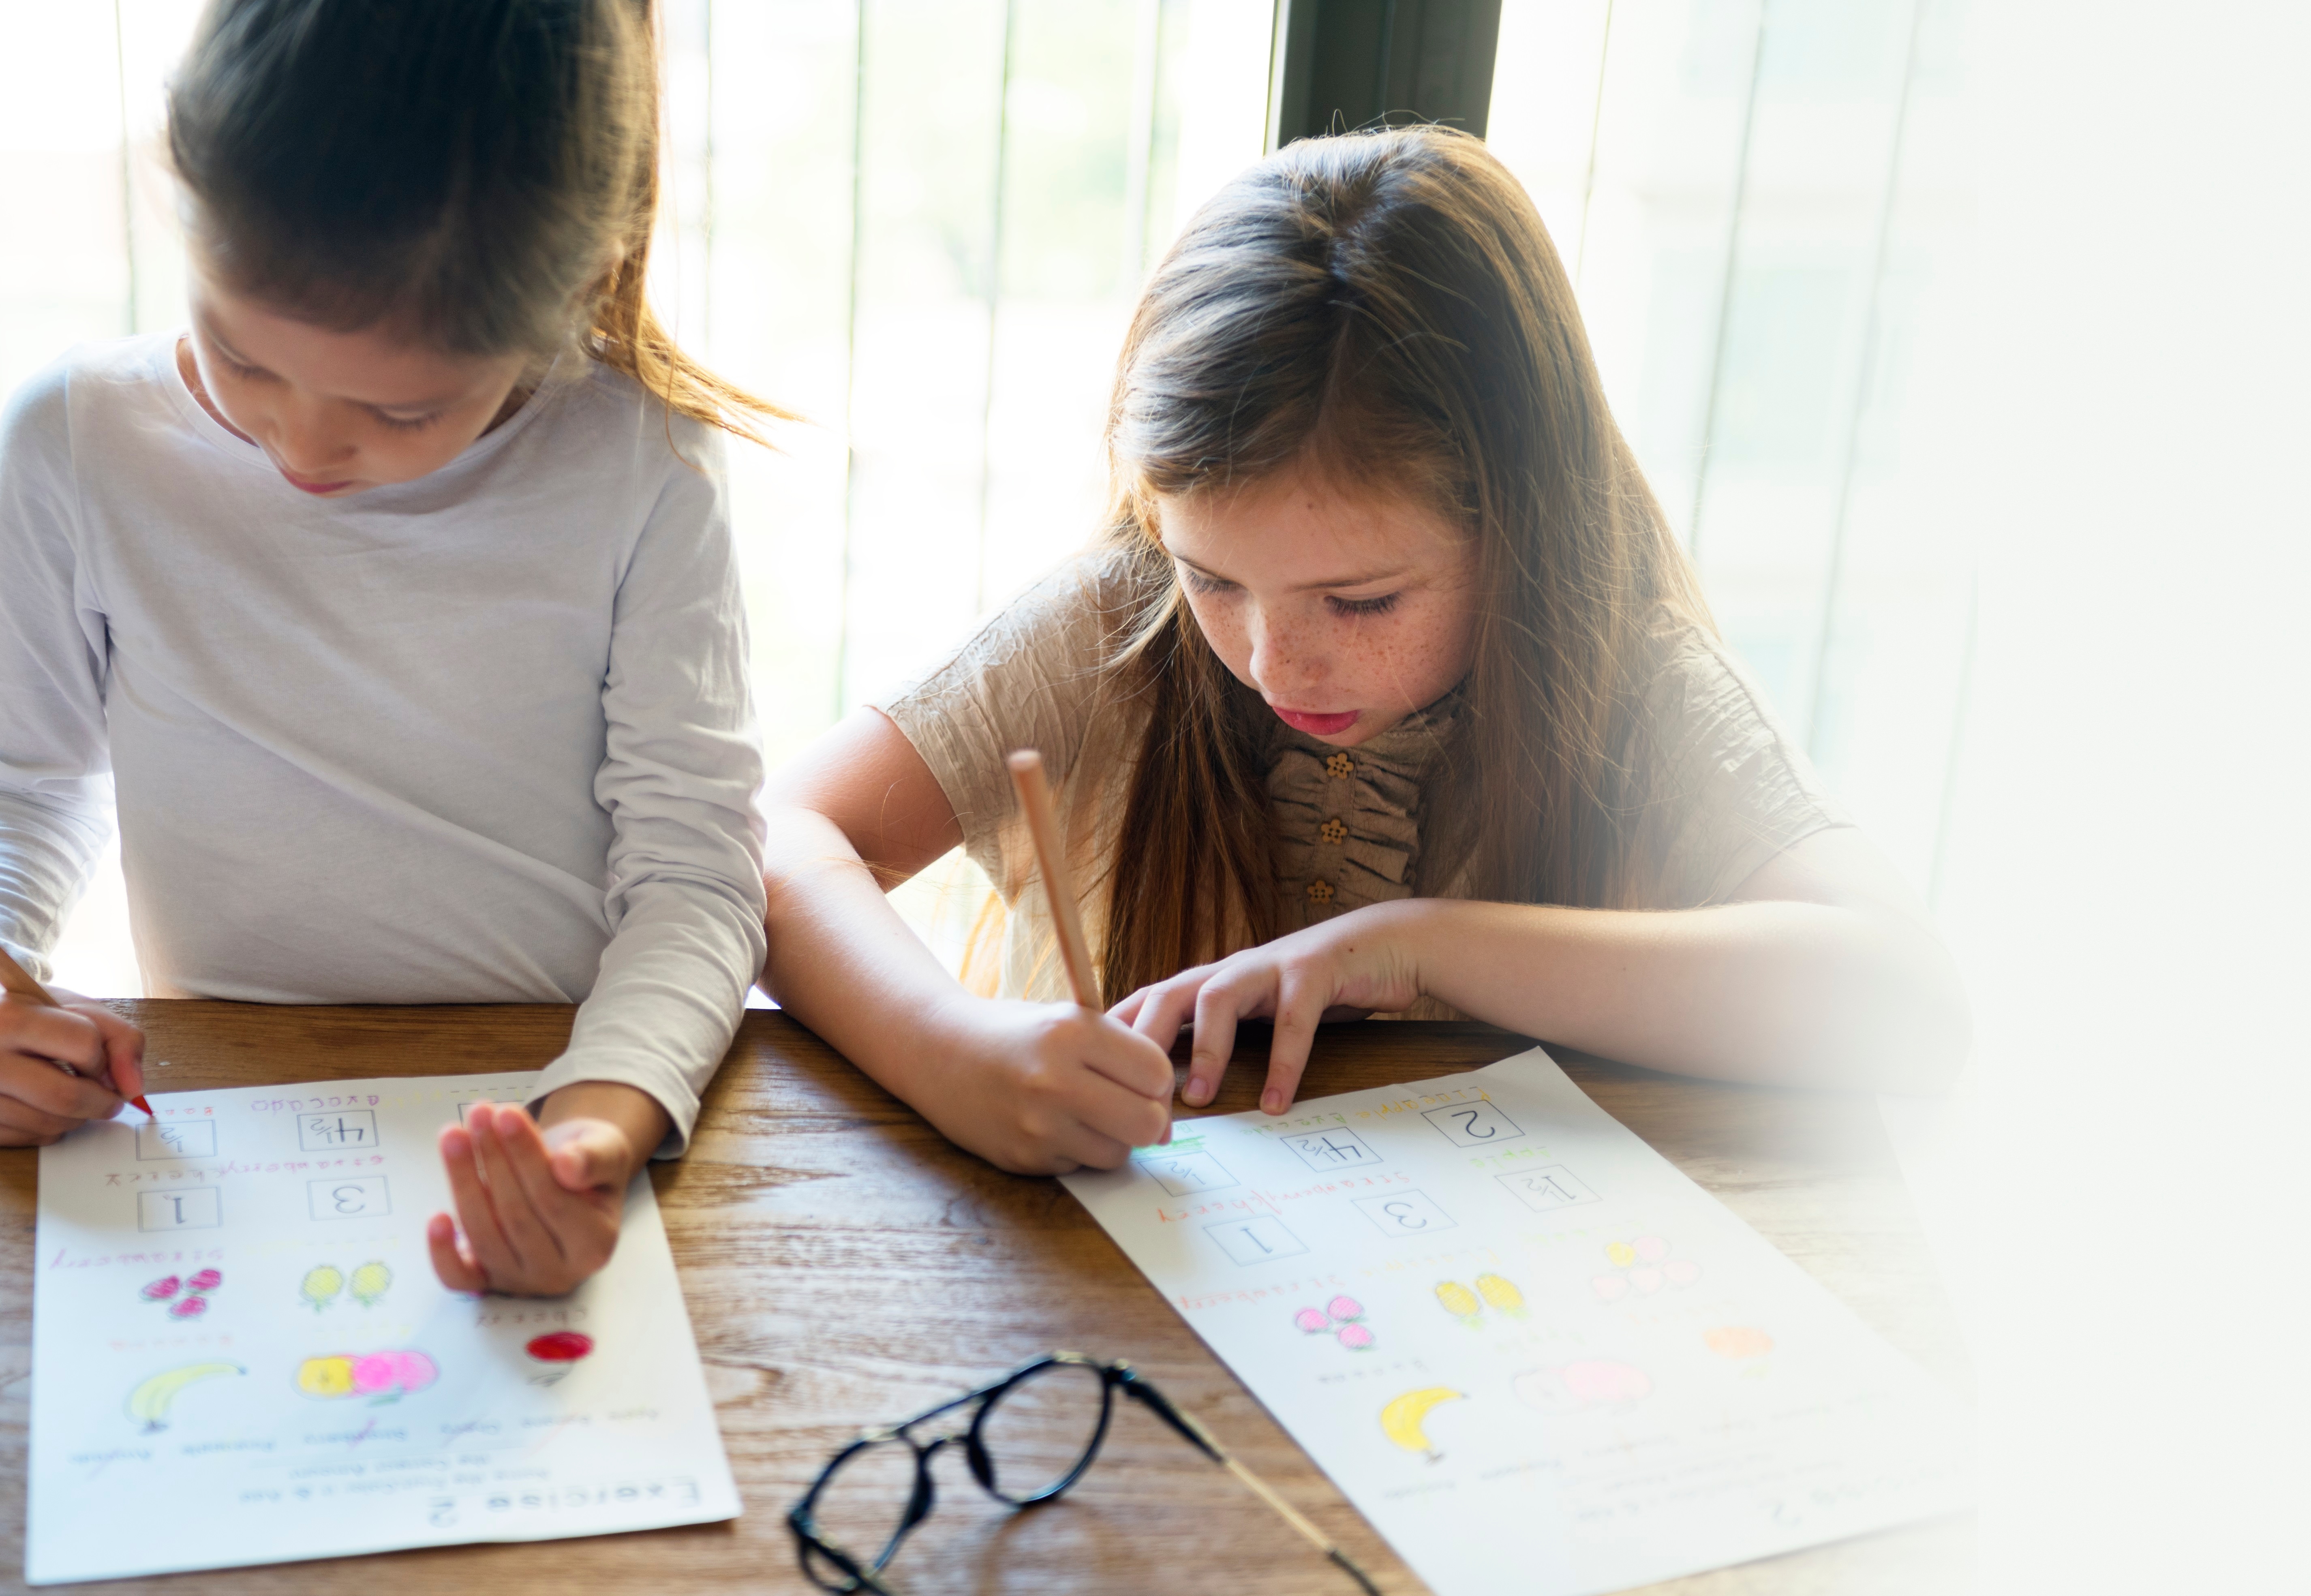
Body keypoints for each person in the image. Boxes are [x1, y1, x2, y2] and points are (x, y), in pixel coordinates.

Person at [758, 126, 1971, 1177]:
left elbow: (1905, 1008)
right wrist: (949, 1045)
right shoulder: (1116, 621)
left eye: (1363, 602)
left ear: (1516, 527)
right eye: (1214, 579)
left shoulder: (1629, 682)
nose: (1276, 664)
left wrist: (1418, 942)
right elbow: (776, 835)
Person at [0, 0, 782, 1294]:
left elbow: (696, 875)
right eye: (241, 356)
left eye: (403, 408)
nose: (303, 448)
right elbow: (23, 785)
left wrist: (598, 1121)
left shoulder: (640, 467)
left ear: (569, 298)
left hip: (553, 1077)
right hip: (232, 1125)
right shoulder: (74, 444)